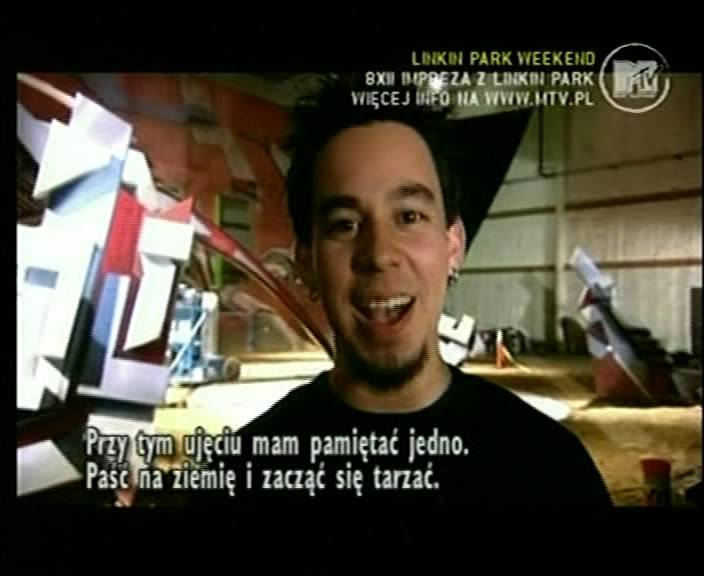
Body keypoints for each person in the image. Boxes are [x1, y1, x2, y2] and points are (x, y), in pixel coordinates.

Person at [180, 75, 612, 512]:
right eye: (344, 224)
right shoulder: (239, 477)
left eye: (408, 216)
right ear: (307, 265)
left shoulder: (550, 470)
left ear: (453, 246)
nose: (379, 254)